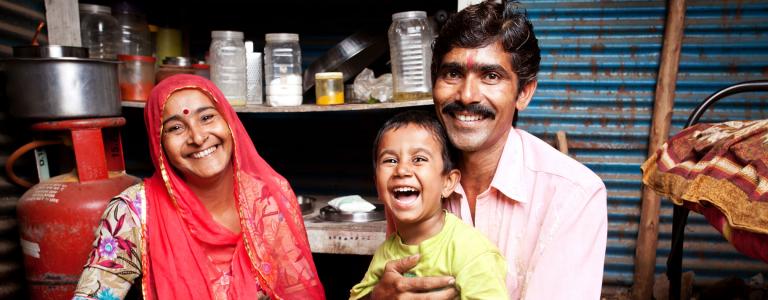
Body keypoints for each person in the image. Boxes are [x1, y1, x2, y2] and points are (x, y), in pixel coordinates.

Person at [370, 1, 608, 299]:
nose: (467, 95)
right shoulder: (415, 177)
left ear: (523, 92)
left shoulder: (573, 194)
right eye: (453, 74)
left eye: (491, 76)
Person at [72, 74, 325, 300]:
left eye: (206, 117)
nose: (197, 137)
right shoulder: (134, 214)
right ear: (158, 144)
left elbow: (298, 291)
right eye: (176, 127)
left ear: (229, 122)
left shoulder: (267, 200)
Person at [349, 111, 508, 300]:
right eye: (390, 160)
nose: (402, 170)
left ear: (448, 182)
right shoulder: (386, 251)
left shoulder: (470, 251)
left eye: (419, 159)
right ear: (378, 186)